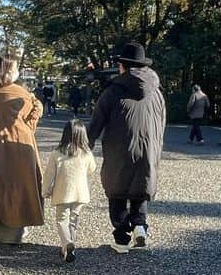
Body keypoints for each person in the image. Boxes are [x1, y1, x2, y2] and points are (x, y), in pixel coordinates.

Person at [87, 42, 166, 254]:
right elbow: (162, 122)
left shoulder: (113, 92)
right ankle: (140, 226)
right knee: (141, 186)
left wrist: (85, 144)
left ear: (123, 66)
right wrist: (156, 148)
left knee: (118, 190)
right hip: (148, 148)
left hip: (118, 150)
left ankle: (122, 239)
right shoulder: (156, 92)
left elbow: (96, 122)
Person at [0, 55, 45, 244]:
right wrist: (37, 104)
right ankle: (16, 225)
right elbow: (30, 119)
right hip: (17, 149)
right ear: (8, 71)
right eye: (15, 69)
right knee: (18, 186)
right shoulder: (20, 93)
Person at [42, 119, 97, 263]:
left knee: (62, 220)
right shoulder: (86, 153)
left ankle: (67, 244)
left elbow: (49, 175)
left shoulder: (57, 153)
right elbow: (92, 168)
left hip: (63, 193)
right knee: (73, 220)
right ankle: (68, 247)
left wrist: (45, 191)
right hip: (81, 194)